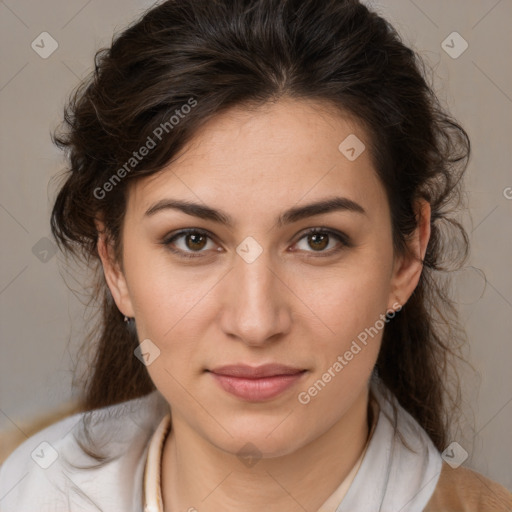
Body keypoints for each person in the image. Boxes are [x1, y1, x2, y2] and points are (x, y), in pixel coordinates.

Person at [1, 0, 510, 510]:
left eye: (318, 239)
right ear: (115, 264)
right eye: (193, 240)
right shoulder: (26, 488)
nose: (255, 322)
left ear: (406, 256)